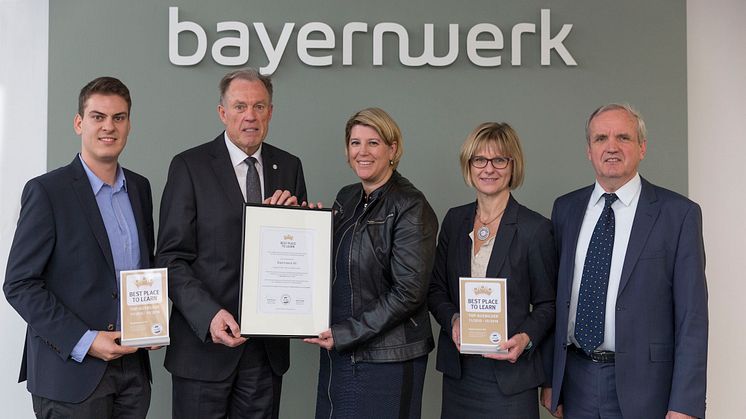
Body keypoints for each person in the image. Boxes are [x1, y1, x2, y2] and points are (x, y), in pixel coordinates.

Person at [541, 103, 708, 419]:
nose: (611, 147)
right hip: (576, 383)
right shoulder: (566, 209)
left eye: (623, 137)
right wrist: (553, 380)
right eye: (601, 138)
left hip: (647, 389)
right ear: (589, 150)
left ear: (642, 147)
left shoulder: (678, 214)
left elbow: (692, 317)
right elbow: (556, 300)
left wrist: (684, 404)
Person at [157, 68, 307, 418]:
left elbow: (297, 253)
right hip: (203, 349)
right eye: (240, 106)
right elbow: (170, 257)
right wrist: (208, 315)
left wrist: (298, 224)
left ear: (271, 112)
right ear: (222, 112)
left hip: (264, 353)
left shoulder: (288, 166)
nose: (250, 116)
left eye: (259, 106)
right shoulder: (189, 166)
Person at [4, 77, 155, 418]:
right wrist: (84, 340)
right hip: (70, 375)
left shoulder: (140, 189)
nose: (109, 127)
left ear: (129, 124)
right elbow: (19, 284)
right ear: (78, 123)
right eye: (98, 116)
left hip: (132, 374)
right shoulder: (47, 191)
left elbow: (143, 270)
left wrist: (151, 324)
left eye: (119, 117)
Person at [303, 108, 438, 419]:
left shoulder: (410, 205)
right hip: (341, 350)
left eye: (373, 143)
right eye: (355, 143)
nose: (362, 152)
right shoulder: (346, 198)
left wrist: (347, 333)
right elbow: (330, 267)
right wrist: (302, 227)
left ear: (392, 149)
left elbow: (408, 292)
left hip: (386, 359)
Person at [427, 122, 557, 419]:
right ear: (468, 165)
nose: (489, 168)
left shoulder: (535, 229)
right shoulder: (454, 221)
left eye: (499, 160)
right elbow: (435, 290)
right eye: (479, 160)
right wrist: (454, 320)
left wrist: (525, 338)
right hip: (460, 375)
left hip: (511, 377)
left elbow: (548, 303)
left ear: (513, 166)